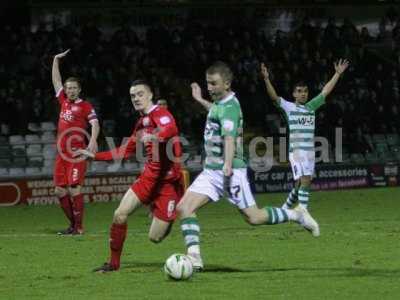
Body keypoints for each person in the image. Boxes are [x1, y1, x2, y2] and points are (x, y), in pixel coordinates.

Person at [176, 61, 319, 271]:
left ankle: (297, 215)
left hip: (231, 171)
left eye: (214, 84)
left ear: (226, 84)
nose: (210, 87)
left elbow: (229, 138)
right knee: (184, 208)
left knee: (254, 217)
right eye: (208, 83)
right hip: (212, 171)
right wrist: (199, 100)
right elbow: (216, 110)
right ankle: (194, 257)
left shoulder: (232, 108)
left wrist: (226, 164)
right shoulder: (221, 104)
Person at [78, 79, 184, 273]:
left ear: (150, 95)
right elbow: (125, 150)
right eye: (133, 96)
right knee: (119, 215)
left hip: (168, 184)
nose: (136, 98)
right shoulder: (141, 123)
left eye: (140, 94)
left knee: (155, 238)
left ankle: (170, 213)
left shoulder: (160, 113)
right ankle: (113, 263)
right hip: (148, 178)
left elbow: (171, 129)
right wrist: (95, 155)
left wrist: (156, 136)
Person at [261, 59, 349, 227]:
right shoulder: (288, 107)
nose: (303, 94)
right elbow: (273, 96)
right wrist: (266, 79)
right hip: (297, 151)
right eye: (299, 91)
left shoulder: (311, 107)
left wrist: (337, 74)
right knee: (306, 180)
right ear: (294, 94)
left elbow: (325, 91)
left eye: (305, 91)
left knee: (299, 185)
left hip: (309, 152)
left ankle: (284, 210)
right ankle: (303, 212)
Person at [52, 49, 100, 235]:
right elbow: (56, 80)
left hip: (77, 153)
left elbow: (95, 124)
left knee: (74, 189)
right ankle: (73, 225)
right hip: (61, 155)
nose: (70, 90)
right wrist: (55, 60)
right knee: (59, 191)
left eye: (74, 88)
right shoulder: (63, 100)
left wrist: (93, 141)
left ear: (79, 90)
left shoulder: (85, 106)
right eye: (68, 87)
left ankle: (78, 228)